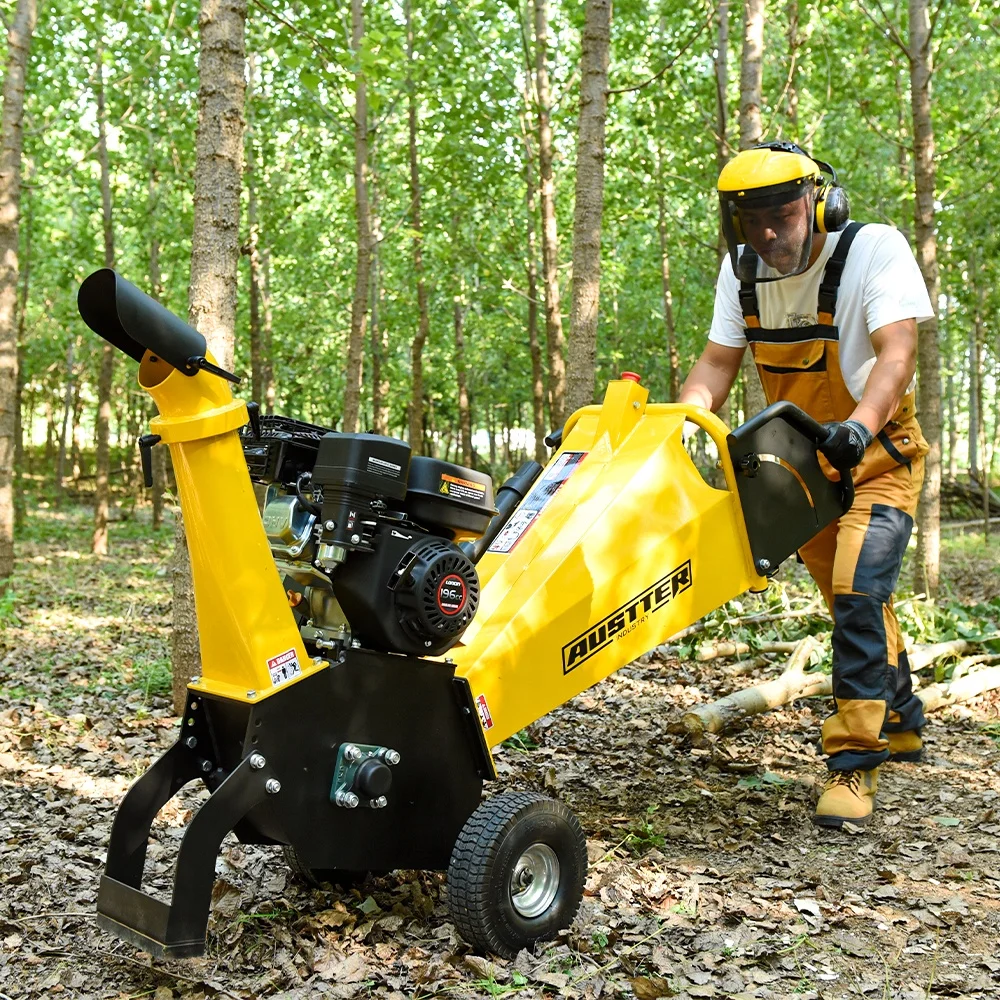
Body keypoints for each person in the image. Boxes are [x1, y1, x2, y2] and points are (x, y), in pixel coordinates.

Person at [678, 140, 931, 829]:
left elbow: (897, 351)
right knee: (851, 600)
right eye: (748, 221)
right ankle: (903, 719)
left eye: (780, 216)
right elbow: (717, 361)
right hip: (806, 472)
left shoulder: (874, 249)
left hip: (876, 456)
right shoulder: (742, 270)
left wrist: (859, 425)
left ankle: (854, 762)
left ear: (820, 204)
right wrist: (681, 423)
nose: (765, 234)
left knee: (856, 586)